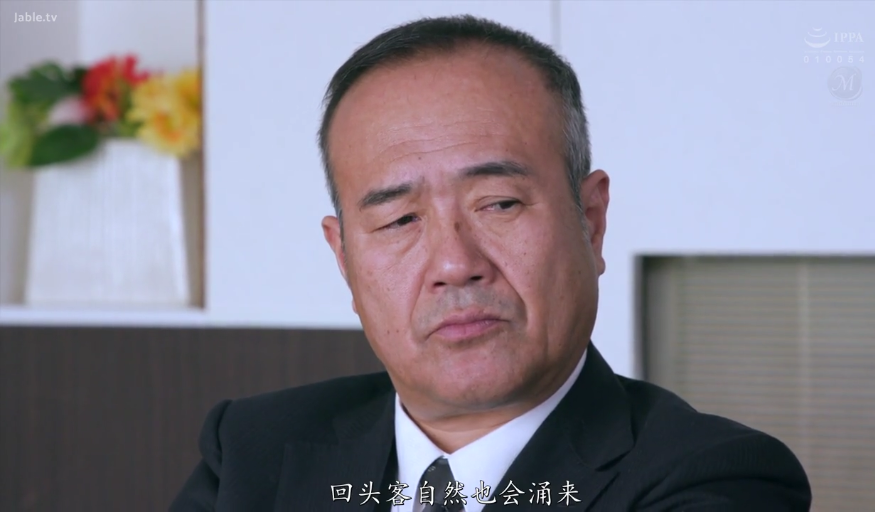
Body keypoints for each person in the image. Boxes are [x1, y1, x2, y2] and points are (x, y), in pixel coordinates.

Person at [170, 15, 811, 512]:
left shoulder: (717, 477)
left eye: (499, 203)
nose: (455, 264)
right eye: (399, 220)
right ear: (344, 258)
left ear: (591, 221)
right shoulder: (253, 450)